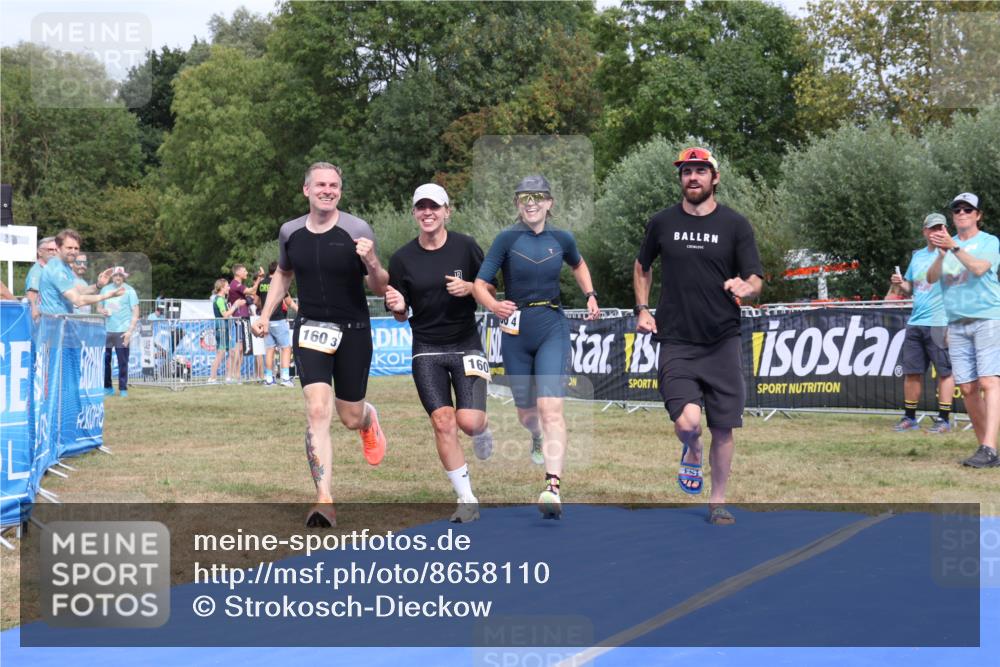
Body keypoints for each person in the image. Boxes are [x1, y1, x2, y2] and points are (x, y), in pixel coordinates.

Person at [252, 162, 389, 526]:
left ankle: (367, 419)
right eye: (321, 185)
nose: (328, 190)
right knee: (316, 410)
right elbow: (283, 274)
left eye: (334, 185)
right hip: (310, 327)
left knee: (348, 416)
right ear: (306, 190)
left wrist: (372, 261)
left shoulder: (357, 229)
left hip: (354, 329)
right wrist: (266, 313)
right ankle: (324, 499)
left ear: (339, 191)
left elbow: (380, 286)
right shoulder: (290, 232)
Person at [633, 147, 764, 525]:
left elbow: (755, 277)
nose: (693, 177)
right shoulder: (661, 222)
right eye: (687, 172)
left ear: (715, 178)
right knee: (688, 423)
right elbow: (642, 266)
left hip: (722, 340)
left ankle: (717, 501)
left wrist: (746, 287)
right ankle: (691, 448)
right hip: (676, 340)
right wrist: (642, 309)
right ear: (681, 179)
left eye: (701, 171)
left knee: (723, 427)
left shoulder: (735, 225)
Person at [472, 175, 600, 519]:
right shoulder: (506, 239)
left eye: (538, 197)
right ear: (517, 203)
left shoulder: (562, 238)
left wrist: (590, 295)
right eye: (524, 197)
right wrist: (493, 305)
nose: (531, 203)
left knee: (551, 410)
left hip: (551, 327)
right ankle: (536, 436)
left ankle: (552, 486)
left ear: (549, 202)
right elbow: (479, 285)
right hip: (515, 332)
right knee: (528, 415)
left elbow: (578, 263)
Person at [385, 184, 496, 523]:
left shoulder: (466, 247)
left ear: (448, 211)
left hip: (465, 343)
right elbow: (400, 310)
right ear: (415, 212)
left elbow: (490, 287)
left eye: (435, 207)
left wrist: (471, 288)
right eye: (422, 207)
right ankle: (466, 499)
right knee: (443, 421)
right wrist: (399, 306)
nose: (428, 213)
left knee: (469, 422)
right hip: (427, 347)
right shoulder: (402, 258)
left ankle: (483, 429)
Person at [927, 193, 1000, 469]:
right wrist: (942, 253)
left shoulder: (989, 241)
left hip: (987, 317)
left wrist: (954, 249)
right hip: (957, 322)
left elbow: (980, 268)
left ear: (978, 215)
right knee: (967, 387)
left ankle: (989, 447)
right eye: (956, 209)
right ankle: (987, 450)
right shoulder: (947, 246)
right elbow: (932, 278)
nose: (961, 213)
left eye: (967, 209)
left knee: (988, 382)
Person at [889, 213, 956, 433]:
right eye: (932, 228)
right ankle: (910, 418)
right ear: (924, 232)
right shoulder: (917, 256)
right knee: (912, 372)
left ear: (946, 230)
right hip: (916, 321)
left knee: (945, 372)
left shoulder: (953, 253)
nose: (937, 232)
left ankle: (943, 419)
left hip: (940, 322)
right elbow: (911, 289)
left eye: (940, 228)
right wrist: (900, 284)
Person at [38, 230, 120, 315]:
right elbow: (78, 300)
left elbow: (79, 291)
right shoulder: (57, 270)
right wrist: (108, 295)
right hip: (53, 323)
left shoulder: (65, 266)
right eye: (69, 248)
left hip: (60, 321)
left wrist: (99, 285)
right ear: (58, 248)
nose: (73, 252)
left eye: (76, 248)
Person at [97, 267, 140, 397]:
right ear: (112, 276)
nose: (118, 277)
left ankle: (123, 389)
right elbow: (98, 306)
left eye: (120, 275)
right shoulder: (105, 289)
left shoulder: (130, 291)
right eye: (116, 275)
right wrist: (101, 311)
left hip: (123, 331)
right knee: (105, 361)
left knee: (122, 362)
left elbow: (136, 311)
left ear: (124, 277)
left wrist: (130, 330)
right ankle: (107, 387)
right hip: (107, 331)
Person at [258, 261, 295, 387]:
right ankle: (285, 378)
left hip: (266, 321)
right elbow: (289, 301)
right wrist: (300, 311)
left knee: (269, 350)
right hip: (279, 319)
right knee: (285, 348)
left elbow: (257, 301)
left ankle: (268, 379)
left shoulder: (262, 283)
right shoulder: (279, 283)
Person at [227, 264, 262, 382]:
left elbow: (251, 293)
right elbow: (252, 291)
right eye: (244, 270)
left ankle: (236, 375)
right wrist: (259, 279)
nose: (246, 272)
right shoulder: (235, 284)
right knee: (239, 347)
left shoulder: (237, 284)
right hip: (239, 318)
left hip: (243, 318)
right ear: (238, 273)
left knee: (241, 348)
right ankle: (233, 375)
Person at [208, 278, 244, 384]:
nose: (229, 288)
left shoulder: (222, 299)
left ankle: (229, 377)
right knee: (221, 353)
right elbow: (225, 315)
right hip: (221, 329)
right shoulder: (219, 299)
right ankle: (212, 378)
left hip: (226, 329)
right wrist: (235, 305)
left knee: (232, 352)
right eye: (227, 286)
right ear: (222, 288)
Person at [24, 236, 57, 319]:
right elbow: (31, 295)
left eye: (56, 250)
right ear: (40, 252)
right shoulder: (37, 271)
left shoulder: (50, 270)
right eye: (50, 250)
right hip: (42, 319)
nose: (54, 253)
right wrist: (35, 317)